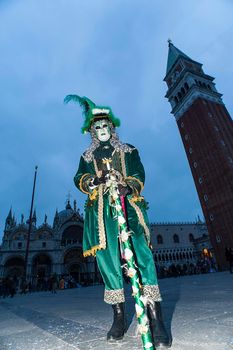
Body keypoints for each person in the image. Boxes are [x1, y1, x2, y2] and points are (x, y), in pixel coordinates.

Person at [65, 95, 171, 348]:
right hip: (100, 213)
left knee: (142, 255)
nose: (101, 131)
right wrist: (94, 180)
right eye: (96, 128)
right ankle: (119, 317)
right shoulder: (86, 156)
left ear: (112, 129)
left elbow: (138, 173)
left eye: (105, 127)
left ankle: (156, 318)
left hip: (129, 207)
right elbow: (79, 177)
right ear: (91, 132)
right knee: (107, 260)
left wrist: (127, 186)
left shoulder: (129, 150)